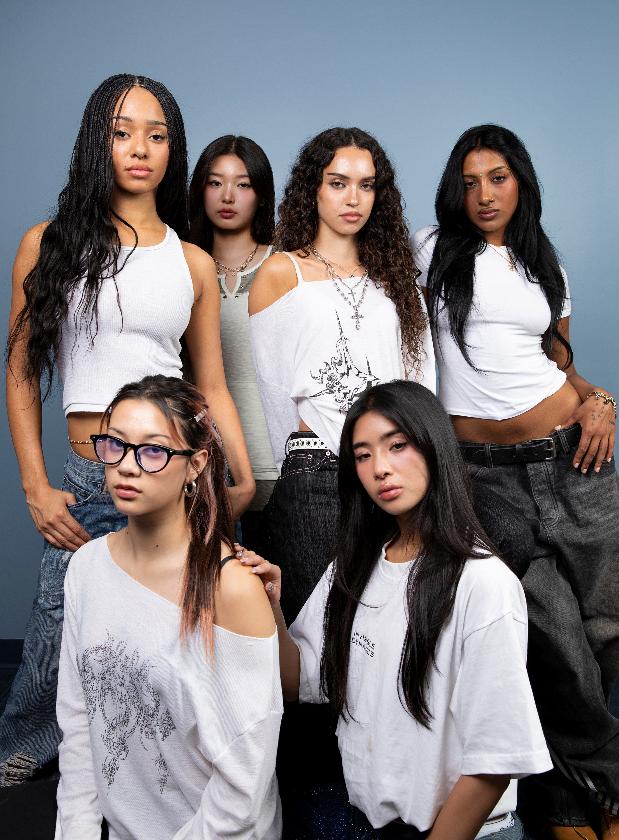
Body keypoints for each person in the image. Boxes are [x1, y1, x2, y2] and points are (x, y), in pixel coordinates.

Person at [1, 73, 254, 786]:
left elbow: (209, 386)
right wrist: (36, 487)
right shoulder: (47, 243)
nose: (139, 148)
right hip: (88, 476)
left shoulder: (191, 261)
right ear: (96, 142)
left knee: (176, 633)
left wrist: (234, 476)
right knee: (56, 634)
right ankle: (23, 751)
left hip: (178, 473)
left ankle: (159, 766)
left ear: (173, 147)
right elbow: (21, 374)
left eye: (156, 133)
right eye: (121, 131)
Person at [413, 124, 619, 839]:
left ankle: (571, 801)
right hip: (483, 476)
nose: (482, 194)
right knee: (550, 634)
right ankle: (610, 781)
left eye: (496, 178)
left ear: (520, 182)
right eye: (468, 182)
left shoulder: (544, 261)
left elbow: (559, 364)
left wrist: (602, 402)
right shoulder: (431, 253)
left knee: (604, 630)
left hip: (575, 460)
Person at [241, 380, 552, 840]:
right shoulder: (357, 567)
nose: (380, 469)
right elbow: (299, 680)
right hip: (371, 824)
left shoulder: (483, 583)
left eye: (398, 446)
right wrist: (267, 605)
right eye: (363, 455)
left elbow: (495, 760)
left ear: (434, 448)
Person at [248, 127, 435, 836]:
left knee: (388, 629)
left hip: (394, 473)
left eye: (365, 184)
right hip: (313, 470)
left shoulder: (398, 280)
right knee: (309, 642)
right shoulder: (280, 272)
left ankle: (380, 782)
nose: (352, 198)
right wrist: (291, 472)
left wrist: (420, 470)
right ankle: (304, 799)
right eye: (337, 182)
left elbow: (419, 385)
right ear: (312, 189)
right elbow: (267, 397)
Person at [54, 375, 282, 840]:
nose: (126, 467)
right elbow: (79, 726)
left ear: (195, 465)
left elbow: (243, 786)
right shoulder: (86, 568)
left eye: (153, 450)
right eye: (113, 445)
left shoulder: (231, 587)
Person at [189, 135, 277, 554]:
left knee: (294, 614)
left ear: (261, 195)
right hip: (206, 478)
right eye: (215, 182)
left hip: (284, 474)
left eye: (243, 184)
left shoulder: (286, 269)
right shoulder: (179, 267)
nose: (228, 196)